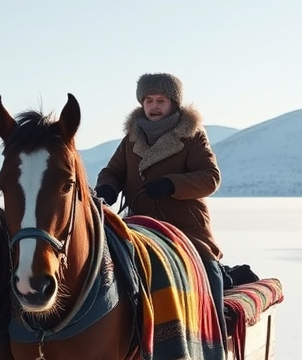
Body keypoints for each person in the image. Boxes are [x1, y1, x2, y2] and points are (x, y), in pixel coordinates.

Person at [94, 72, 228, 344]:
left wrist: (171, 184)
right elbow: (113, 171)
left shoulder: (192, 136)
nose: (154, 107)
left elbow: (210, 177)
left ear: (173, 103)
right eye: (149, 100)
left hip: (185, 227)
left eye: (161, 100)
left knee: (208, 272)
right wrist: (107, 188)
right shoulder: (132, 137)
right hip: (140, 227)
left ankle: (214, 343)